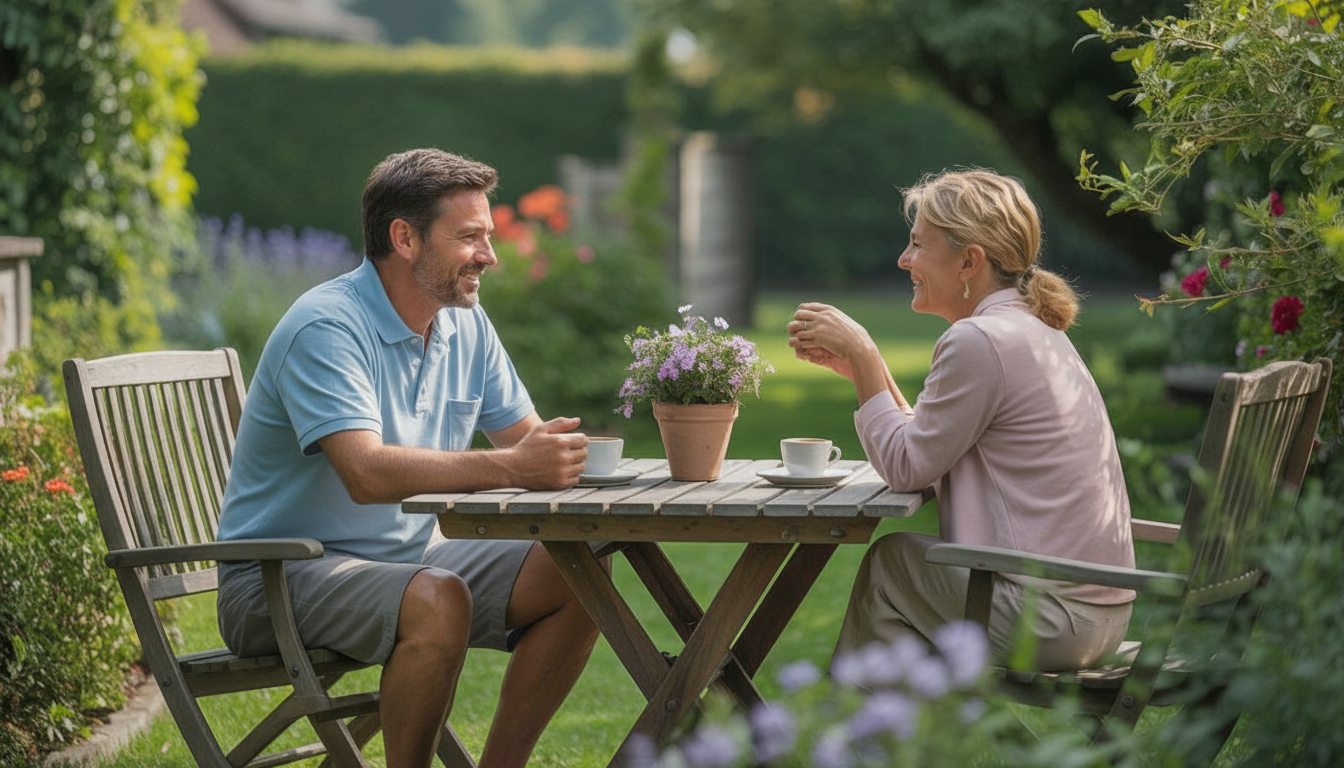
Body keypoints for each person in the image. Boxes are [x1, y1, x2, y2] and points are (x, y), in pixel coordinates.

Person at [214, 148, 599, 768]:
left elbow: (527, 443)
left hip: (405, 559)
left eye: (489, 236)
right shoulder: (327, 327)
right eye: (469, 237)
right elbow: (365, 473)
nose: (490, 256)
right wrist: (515, 467)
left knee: (580, 578)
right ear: (405, 238)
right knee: (438, 597)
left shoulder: (464, 324)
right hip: (276, 579)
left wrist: (568, 462)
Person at [788, 168, 1135, 671]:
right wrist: (868, 372)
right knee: (904, 579)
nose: (904, 260)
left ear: (969, 261)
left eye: (917, 245)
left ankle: (866, 739)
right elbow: (928, 445)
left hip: (1050, 621)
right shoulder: (1027, 329)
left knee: (893, 565)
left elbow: (907, 468)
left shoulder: (981, 341)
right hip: (1093, 617)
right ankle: (890, 739)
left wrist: (864, 356)